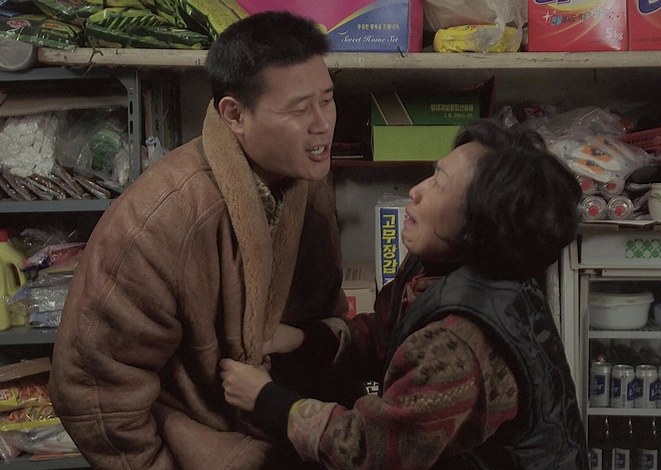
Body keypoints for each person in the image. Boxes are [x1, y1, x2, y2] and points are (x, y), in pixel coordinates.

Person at [48, 11, 365, 469]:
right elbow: (90, 388)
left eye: (327, 100)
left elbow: (323, 312)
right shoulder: (162, 216)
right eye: (299, 109)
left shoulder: (305, 181)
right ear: (234, 115)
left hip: (283, 431)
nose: (323, 124)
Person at [220, 118, 588, 469]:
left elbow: (371, 451)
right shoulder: (443, 265)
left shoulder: (459, 342)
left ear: (477, 226)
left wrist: (267, 400)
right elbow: (387, 333)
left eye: (440, 183)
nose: (416, 190)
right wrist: (306, 339)